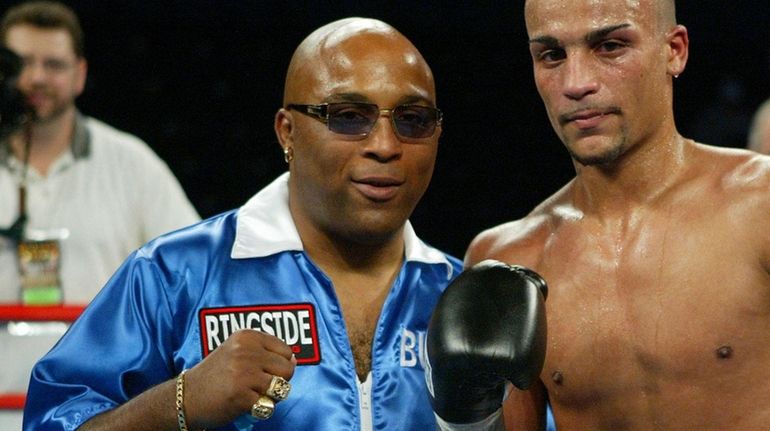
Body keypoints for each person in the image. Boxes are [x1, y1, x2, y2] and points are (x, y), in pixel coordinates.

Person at [23, 16, 462, 430]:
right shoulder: (176, 275)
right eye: (348, 117)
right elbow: (52, 419)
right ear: (287, 132)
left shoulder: (464, 297)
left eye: (413, 119)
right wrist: (179, 403)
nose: (385, 146)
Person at [427, 0, 770, 430]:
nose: (576, 83)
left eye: (609, 46)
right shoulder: (512, 257)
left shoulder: (761, 207)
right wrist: (467, 416)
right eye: (552, 55)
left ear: (675, 51)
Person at [0, 1, 199, 304]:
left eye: (53, 64)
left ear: (80, 75)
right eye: (22, 63)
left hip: (107, 353)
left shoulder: (132, 164)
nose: (37, 77)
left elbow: (194, 267)